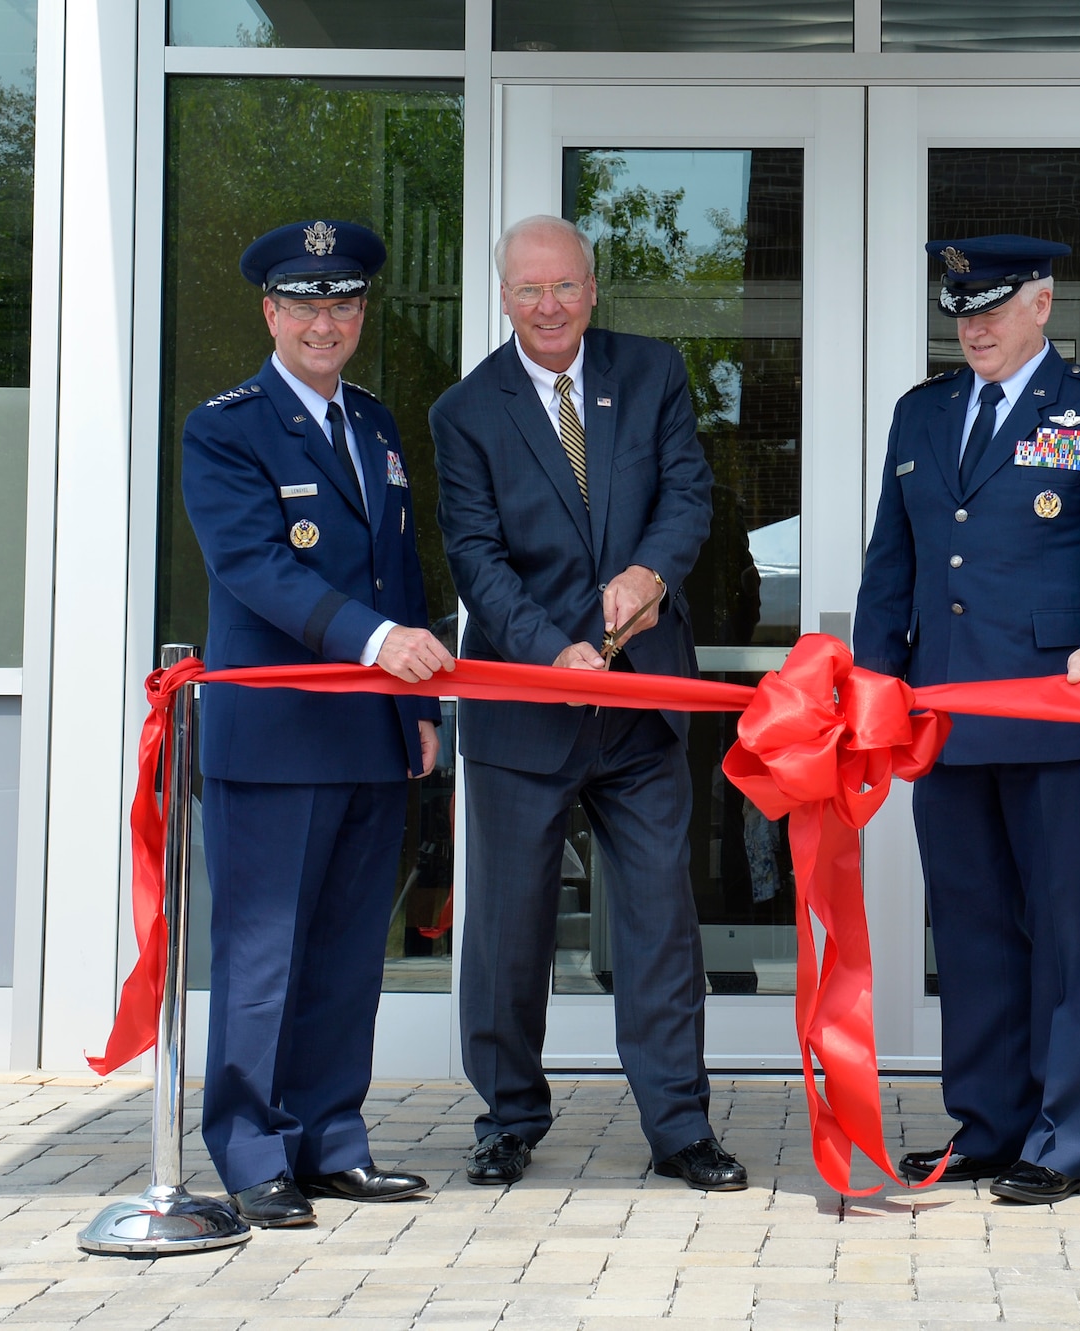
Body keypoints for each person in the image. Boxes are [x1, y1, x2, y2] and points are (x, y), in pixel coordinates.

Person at [429, 214, 743, 1191]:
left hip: (641, 704)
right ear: (503, 297)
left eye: (563, 286)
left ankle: (679, 1128)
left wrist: (648, 571)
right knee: (509, 928)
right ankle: (508, 1118)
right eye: (528, 290)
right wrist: (546, 648)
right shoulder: (464, 411)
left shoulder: (647, 372)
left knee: (658, 919)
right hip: (527, 702)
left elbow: (687, 494)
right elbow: (474, 556)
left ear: (592, 287)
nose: (548, 306)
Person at [855, 235, 1080, 1204]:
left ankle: (1064, 1136)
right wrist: (873, 684)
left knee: (1066, 935)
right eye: (960, 308)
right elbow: (891, 566)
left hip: (1056, 709)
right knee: (975, 929)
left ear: (1042, 301)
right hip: (944, 714)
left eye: (991, 305)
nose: (972, 325)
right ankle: (987, 1124)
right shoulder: (922, 410)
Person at [182, 219, 455, 1228]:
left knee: (345, 957)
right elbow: (253, 567)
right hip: (277, 734)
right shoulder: (227, 427)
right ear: (270, 311)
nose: (324, 322)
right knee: (261, 960)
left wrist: (419, 705)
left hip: (370, 733)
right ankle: (250, 1151)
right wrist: (378, 641)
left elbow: (403, 572)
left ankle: (330, 1139)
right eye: (303, 303)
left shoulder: (376, 424)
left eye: (342, 303)